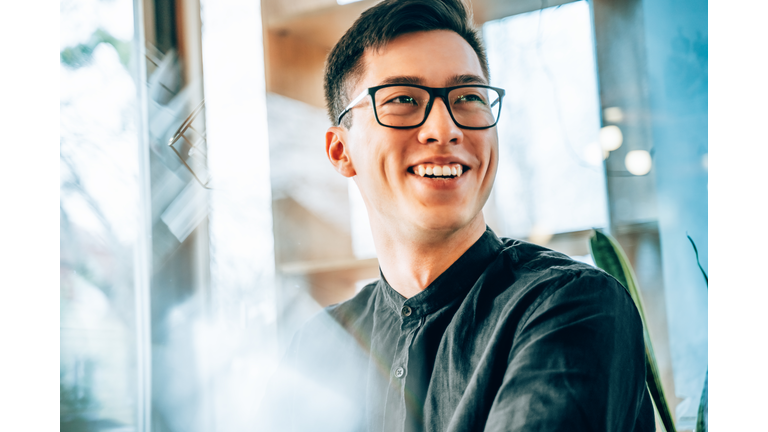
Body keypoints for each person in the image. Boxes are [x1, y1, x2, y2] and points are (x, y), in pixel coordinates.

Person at [259, 0, 654, 431]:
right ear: (341, 150)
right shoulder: (318, 346)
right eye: (403, 100)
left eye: (467, 97)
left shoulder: (571, 305)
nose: (444, 128)